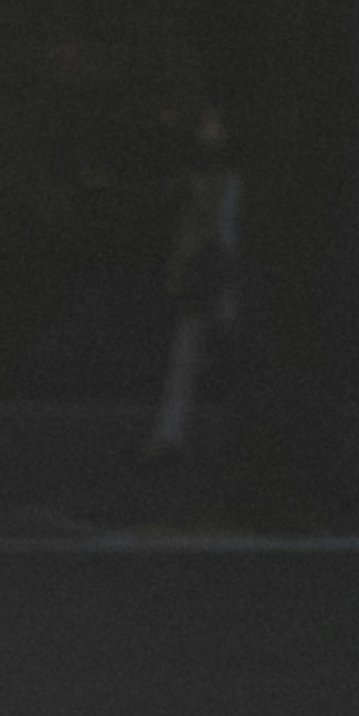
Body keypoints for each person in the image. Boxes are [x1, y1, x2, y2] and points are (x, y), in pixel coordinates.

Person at [150, 108, 243, 459]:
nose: (207, 131)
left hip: (220, 275)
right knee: (187, 357)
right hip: (201, 274)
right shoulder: (198, 179)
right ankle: (170, 435)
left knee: (214, 357)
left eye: (213, 125)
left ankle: (180, 435)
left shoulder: (229, 181)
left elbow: (225, 233)